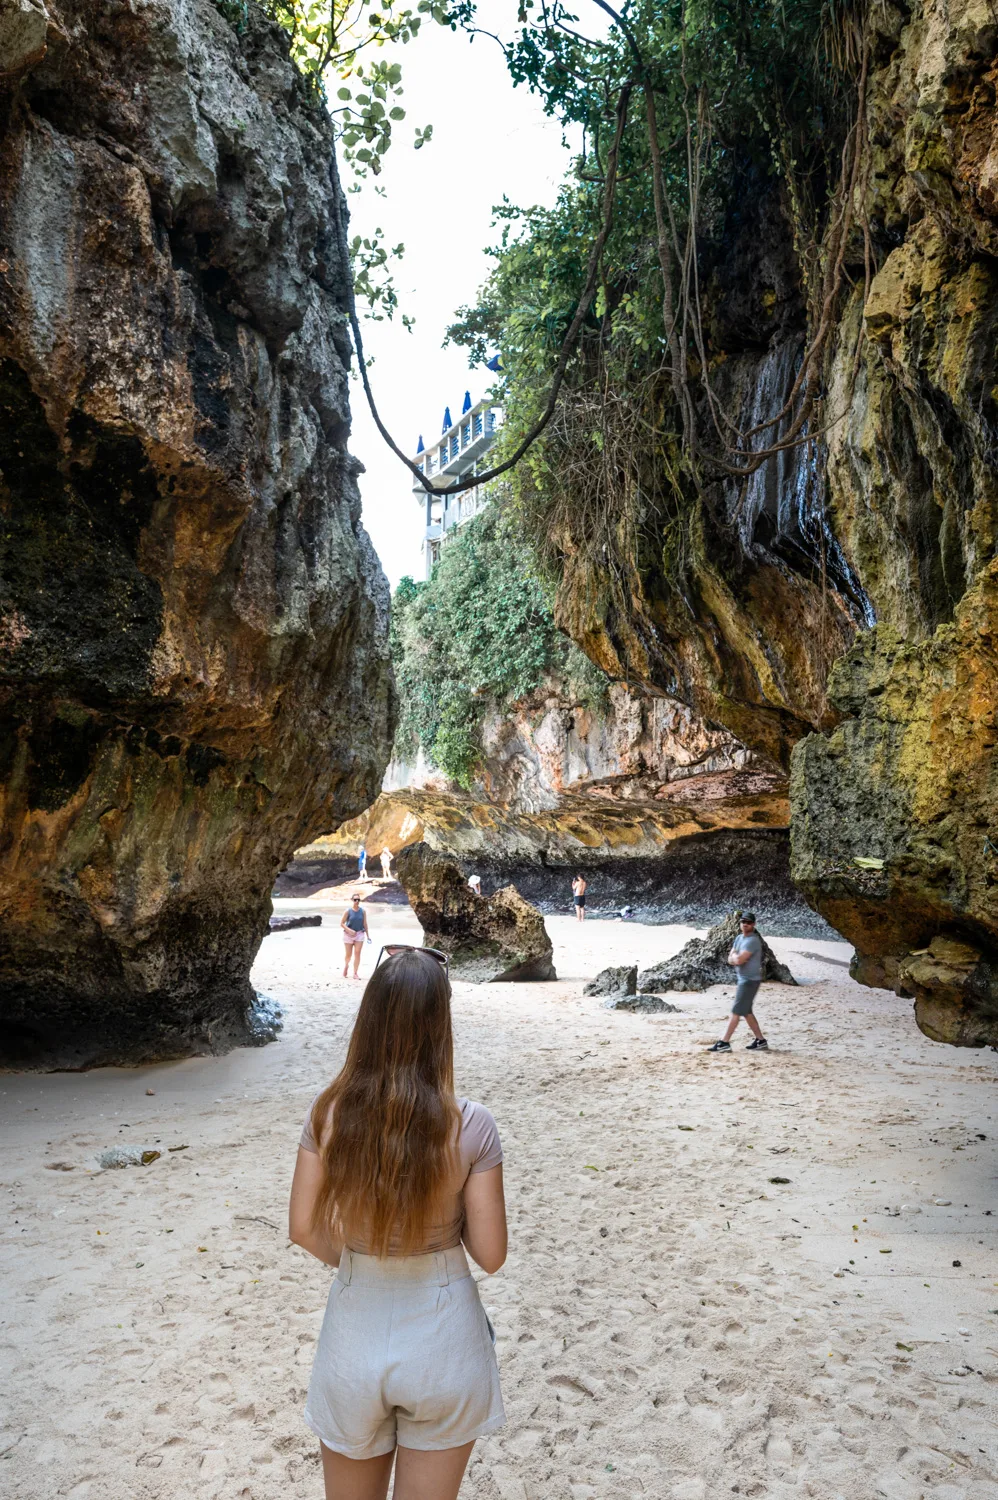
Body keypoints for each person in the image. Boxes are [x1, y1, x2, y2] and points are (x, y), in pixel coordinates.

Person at [289, 948, 507, 1500]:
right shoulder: (472, 1125)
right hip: (444, 1336)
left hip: (354, 1329)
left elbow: (302, 1227)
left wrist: (359, 1261)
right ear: (442, 1024)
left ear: (370, 1019)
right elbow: (491, 1254)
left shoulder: (329, 1114)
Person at [707, 911, 769, 1052]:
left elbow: (739, 959)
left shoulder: (752, 940)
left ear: (753, 924)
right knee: (746, 1012)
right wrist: (736, 958)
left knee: (736, 1011)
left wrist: (736, 958)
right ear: (740, 923)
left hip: (749, 981)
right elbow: (731, 959)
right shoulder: (739, 938)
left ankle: (724, 1042)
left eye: (748, 922)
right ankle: (761, 1041)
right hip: (743, 979)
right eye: (743, 922)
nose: (745, 924)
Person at [341, 893, 370, 980]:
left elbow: (365, 923)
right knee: (348, 955)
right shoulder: (348, 911)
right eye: (355, 900)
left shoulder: (363, 911)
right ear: (352, 900)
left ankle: (355, 973)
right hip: (348, 935)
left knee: (357, 953)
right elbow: (341, 923)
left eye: (358, 900)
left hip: (359, 934)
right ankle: (346, 966)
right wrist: (349, 930)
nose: (357, 901)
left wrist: (368, 935)